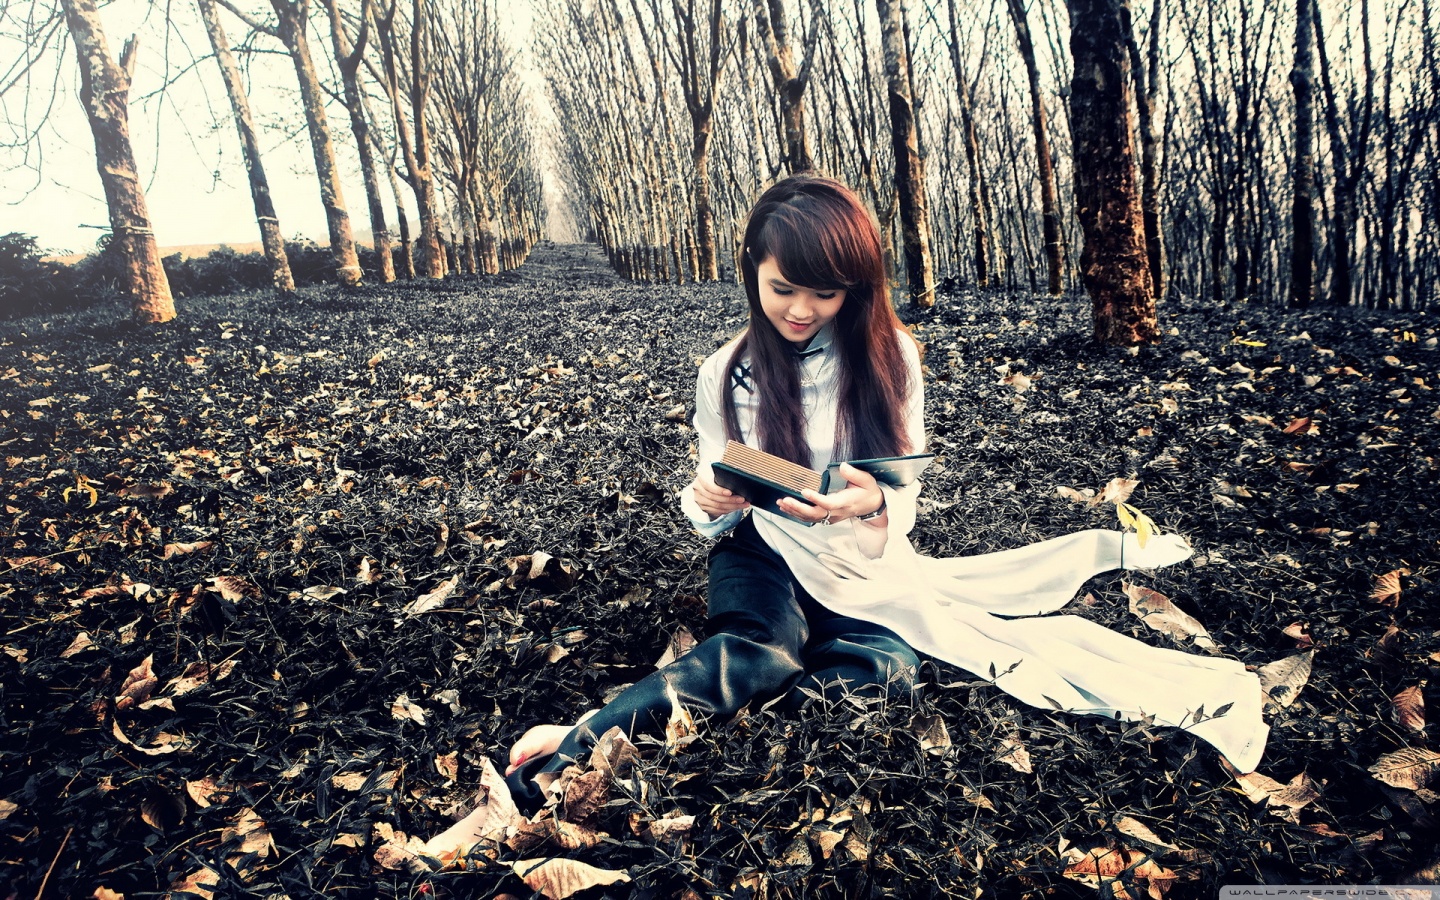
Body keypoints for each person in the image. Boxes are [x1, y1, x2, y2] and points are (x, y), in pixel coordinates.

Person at [427, 173, 1268, 856]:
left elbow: (899, 494)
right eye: (783, 288)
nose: (800, 310)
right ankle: (567, 753)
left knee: (884, 672)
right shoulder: (723, 372)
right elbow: (710, 491)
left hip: (862, 559)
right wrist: (709, 498)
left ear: (854, 289)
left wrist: (871, 500)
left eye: (825, 294)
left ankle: (686, 718)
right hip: (759, 547)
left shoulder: (889, 356)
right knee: (757, 652)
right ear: (751, 268)